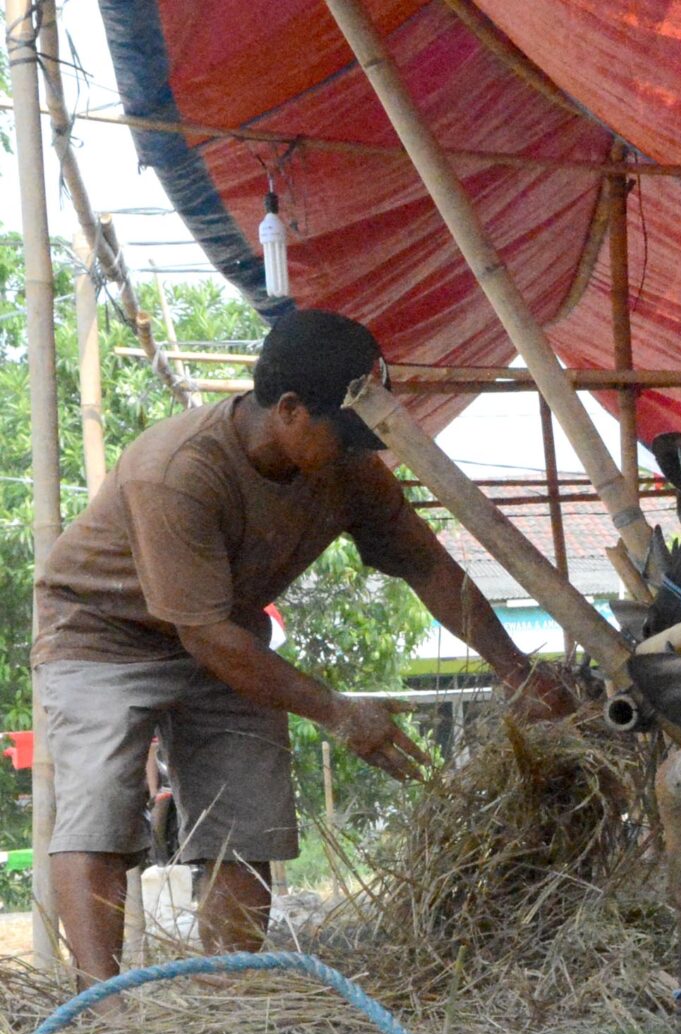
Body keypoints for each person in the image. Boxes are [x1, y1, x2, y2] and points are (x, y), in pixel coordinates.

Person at [31, 307, 576, 984]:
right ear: (289, 409)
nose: (358, 451)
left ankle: (232, 996)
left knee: (246, 820)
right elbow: (203, 635)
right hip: (104, 633)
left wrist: (515, 671)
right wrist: (337, 712)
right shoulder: (176, 471)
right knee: (100, 808)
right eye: (344, 433)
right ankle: (101, 1006)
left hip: (227, 632)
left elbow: (426, 565)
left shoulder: (348, 470)